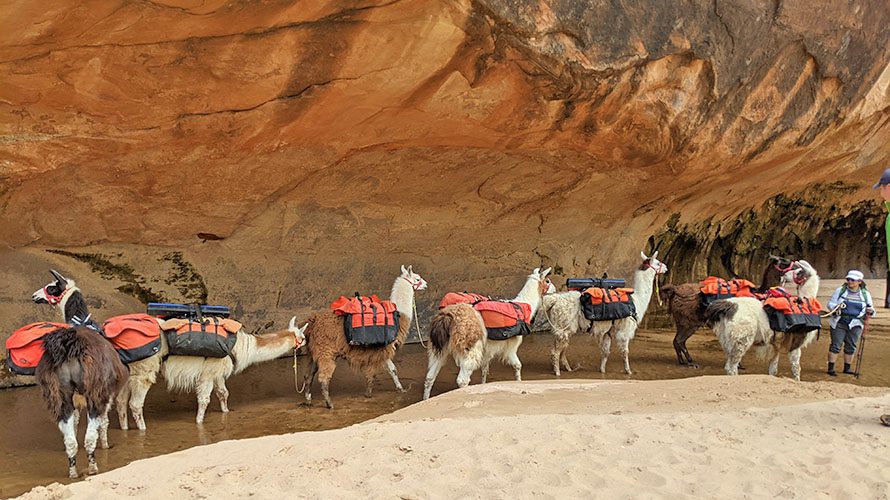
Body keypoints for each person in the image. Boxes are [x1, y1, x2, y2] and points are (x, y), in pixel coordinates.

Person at [825, 270, 875, 376]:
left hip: (856, 323)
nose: (850, 281)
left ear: (859, 281)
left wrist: (870, 311)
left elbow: (871, 309)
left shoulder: (865, 294)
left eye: (853, 280)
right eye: (848, 279)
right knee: (835, 345)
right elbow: (830, 303)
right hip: (839, 321)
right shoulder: (840, 291)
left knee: (851, 346)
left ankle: (847, 369)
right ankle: (831, 369)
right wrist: (835, 307)